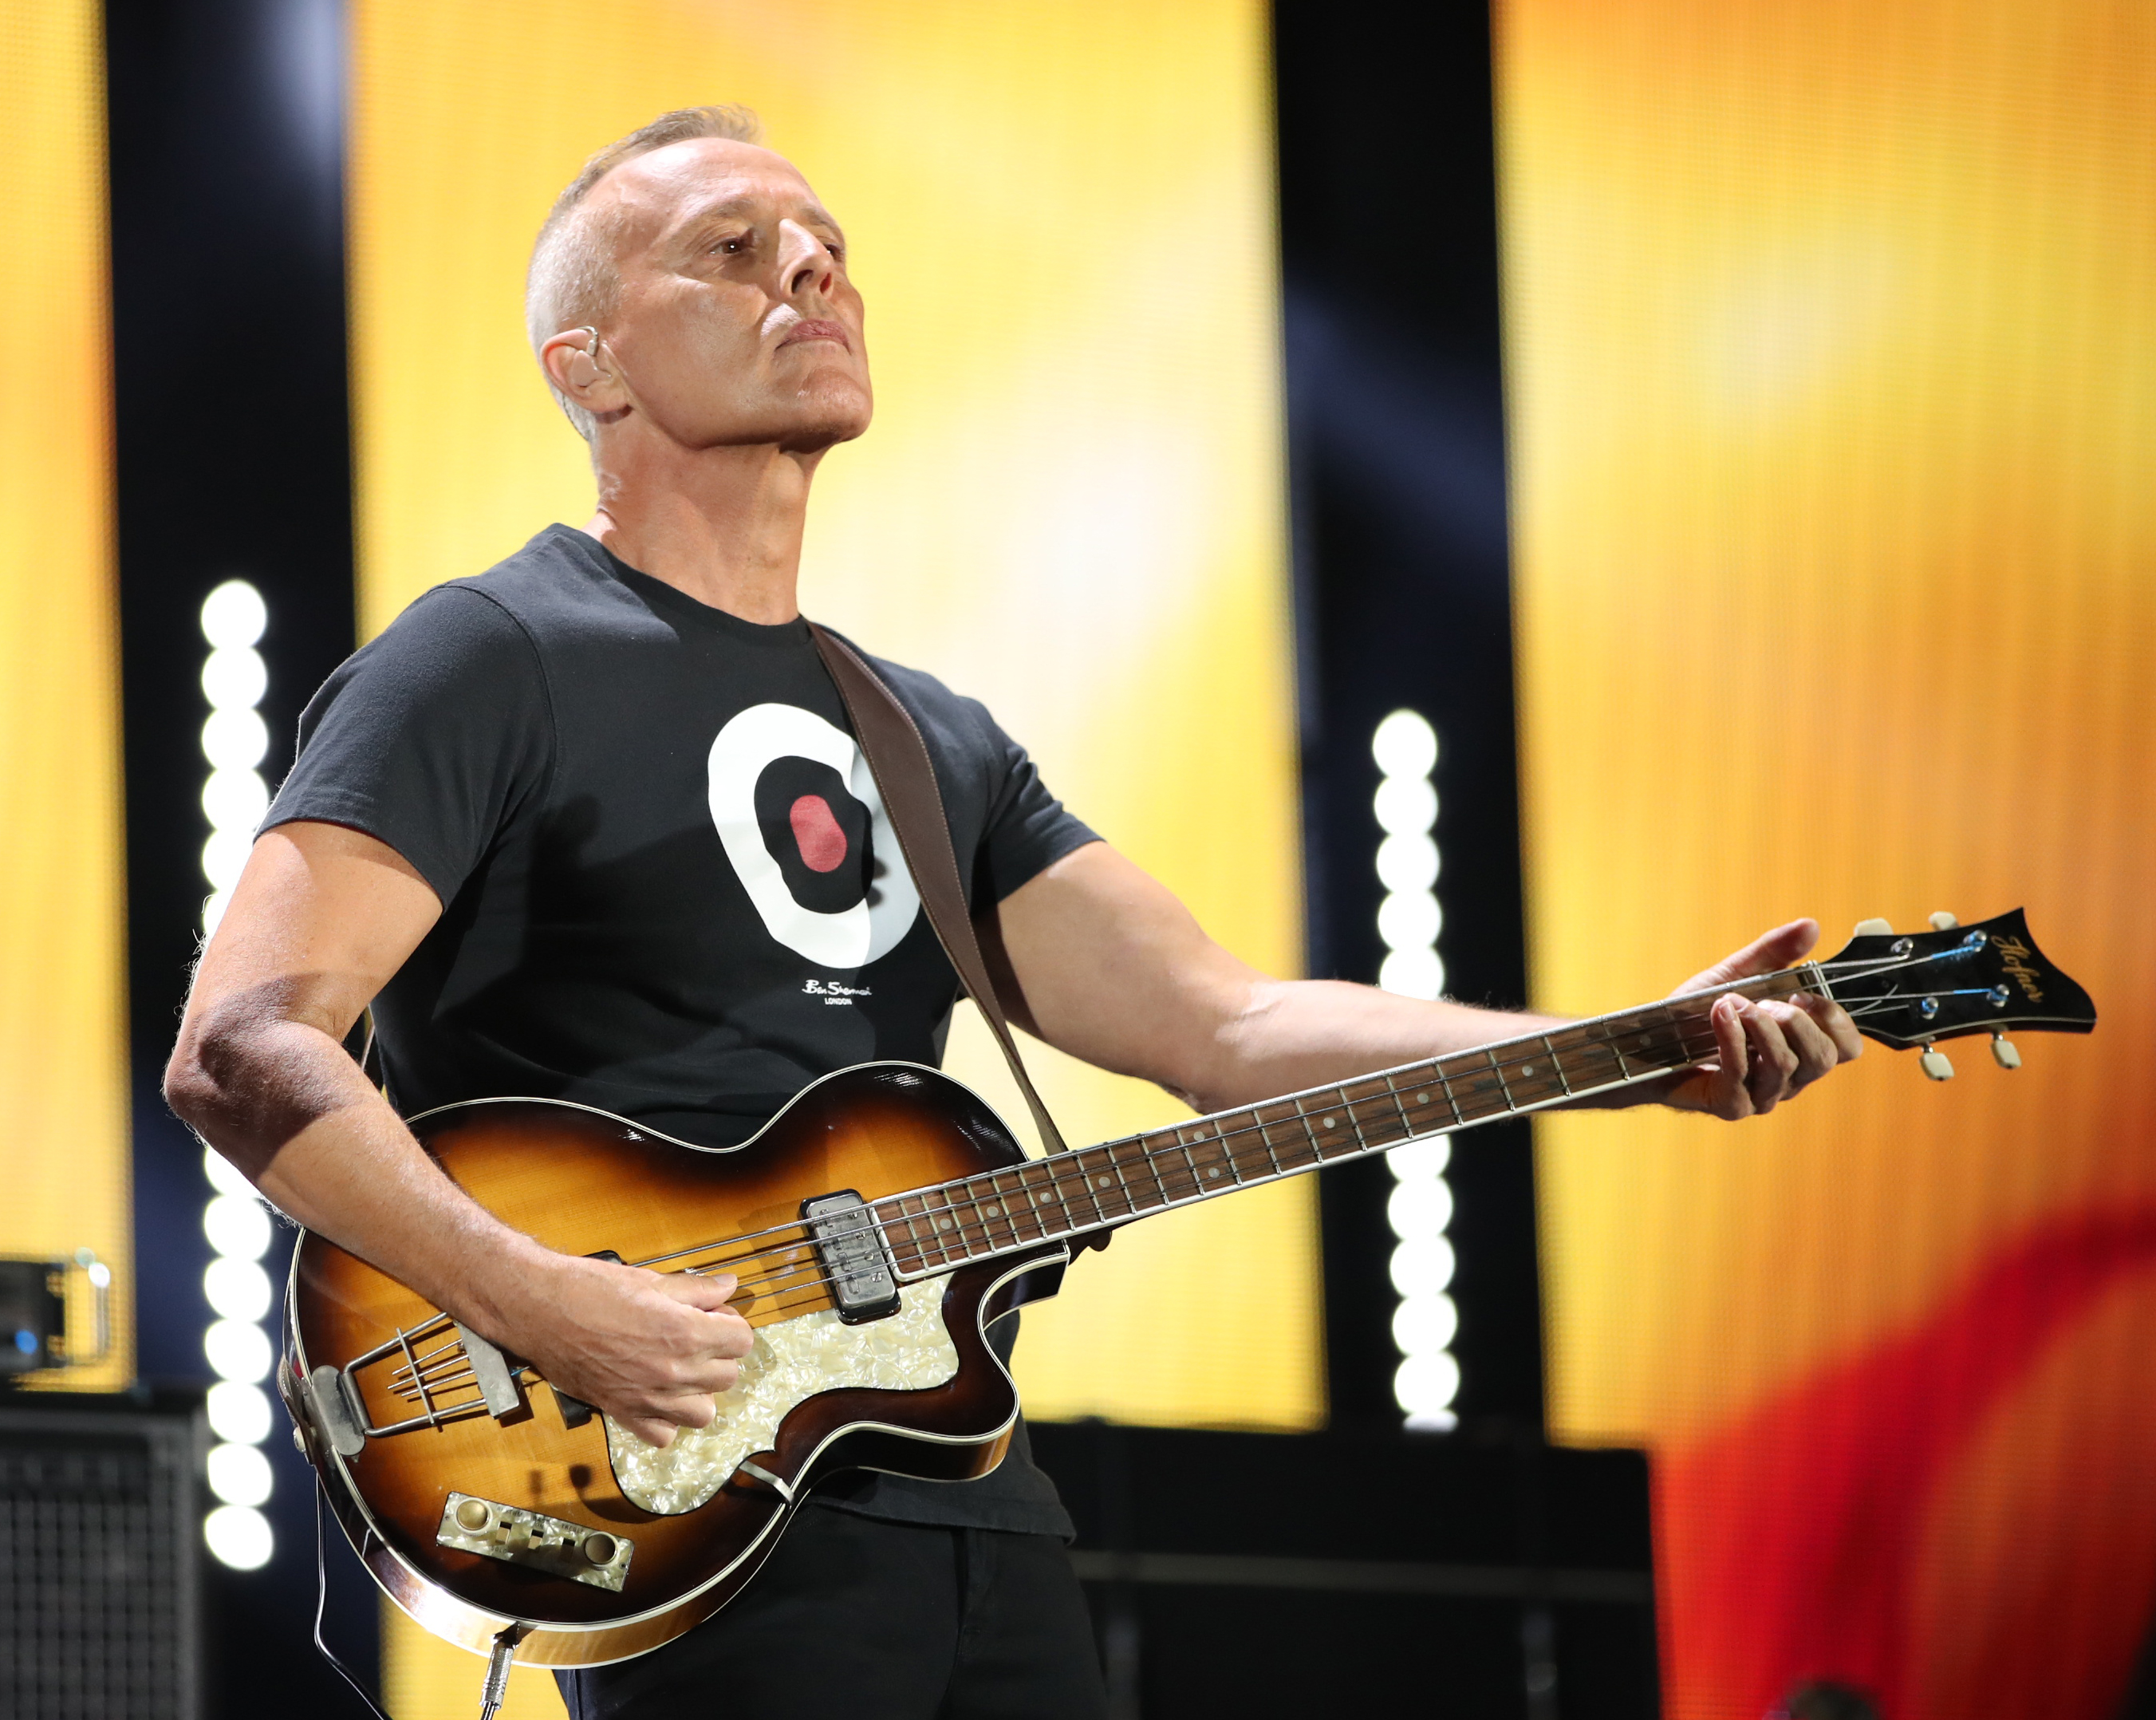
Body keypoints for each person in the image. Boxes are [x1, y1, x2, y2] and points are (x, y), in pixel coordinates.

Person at [164, 106, 1863, 1720]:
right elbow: (242, 1048)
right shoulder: (489, 657)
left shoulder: (927, 736)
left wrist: (1627, 1049)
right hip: (670, 1482)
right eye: (735, 248)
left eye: (829, 244)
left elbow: (1228, 1027)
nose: (813, 272)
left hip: (976, 1500)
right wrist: (544, 1301)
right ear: (586, 364)